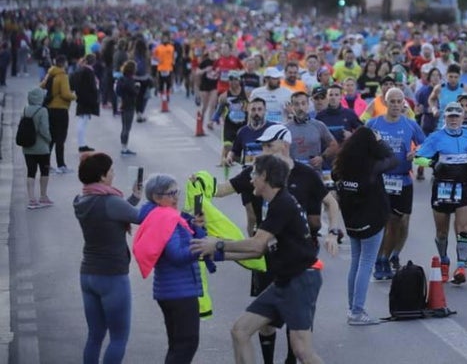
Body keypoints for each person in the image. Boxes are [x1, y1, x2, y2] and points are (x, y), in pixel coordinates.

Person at [192, 154, 334, 364]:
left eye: (254, 175)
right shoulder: (276, 202)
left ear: (265, 176)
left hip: (301, 280)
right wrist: (217, 255)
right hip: (284, 281)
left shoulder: (282, 204)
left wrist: (218, 244)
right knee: (240, 331)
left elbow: (256, 244)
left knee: (302, 350)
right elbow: (259, 252)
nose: (251, 181)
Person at [74, 152, 143, 364]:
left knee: (94, 336)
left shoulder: (81, 200)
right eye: (111, 170)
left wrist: (134, 198)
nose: (113, 174)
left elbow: (116, 213)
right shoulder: (110, 201)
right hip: (112, 276)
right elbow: (140, 217)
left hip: (88, 275)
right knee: (119, 338)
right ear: (103, 176)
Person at [132, 174, 207, 364]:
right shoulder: (166, 218)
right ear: (157, 198)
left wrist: (196, 229)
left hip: (170, 290)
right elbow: (177, 255)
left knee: (178, 345)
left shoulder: (159, 216)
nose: (176, 198)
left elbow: (181, 244)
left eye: (177, 192)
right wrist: (202, 247)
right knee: (186, 344)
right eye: (171, 193)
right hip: (179, 292)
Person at [331, 126, 397, 324]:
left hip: (352, 221)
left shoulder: (341, 166)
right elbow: (393, 159)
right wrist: (379, 141)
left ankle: (353, 308)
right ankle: (357, 311)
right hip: (372, 220)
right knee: (366, 264)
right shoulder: (371, 165)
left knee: (356, 262)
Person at [413, 101, 467, 285]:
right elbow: (418, 157)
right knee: (442, 232)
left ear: (462, 117)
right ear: (445, 118)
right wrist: (432, 164)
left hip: (464, 184)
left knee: (464, 229)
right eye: (450, 116)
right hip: (442, 186)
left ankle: (460, 266)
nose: (453, 120)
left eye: (456, 116)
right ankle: (444, 260)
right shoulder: (436, 137)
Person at [364, 86, 426, 280]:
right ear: (385, 102)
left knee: (396, 223)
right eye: (393, 101)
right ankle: (377, 260)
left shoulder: (410, 125)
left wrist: (416, 152)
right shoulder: (373, 124)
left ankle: (385, 258)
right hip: (379, 180)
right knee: (381, 222)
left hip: (403, 180)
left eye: (400, 102)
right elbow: (360, 148)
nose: (396, 105)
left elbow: (426, 144)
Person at [42, 53, 76, 174]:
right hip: (61, 109)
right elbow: (65, 94)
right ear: (64, 63)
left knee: (50, 138)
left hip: (49, 109)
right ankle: (61, 165)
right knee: (60, 139)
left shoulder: (51, 73)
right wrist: (74, 96)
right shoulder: (62, 76)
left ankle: (46, 164)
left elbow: (42, 85)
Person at [22, 86, 53, 208]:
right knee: (44, 171)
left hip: (28, 147)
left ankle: (31, 199)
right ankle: (43, 196)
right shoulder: (42, 111)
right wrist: (49, 139)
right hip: (42, 148)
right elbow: (44, 130)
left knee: (31, 172)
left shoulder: (25, 109)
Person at [115, 60, 140, 157]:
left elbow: (117, 91)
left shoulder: (121, 79)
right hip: (129, 104)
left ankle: (123, 146)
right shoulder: (130, 80)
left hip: (123, 103)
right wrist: (137, 87)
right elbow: (134, 92)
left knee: (124, 126)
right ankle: (124, 148)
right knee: (127, 127)